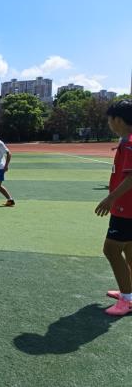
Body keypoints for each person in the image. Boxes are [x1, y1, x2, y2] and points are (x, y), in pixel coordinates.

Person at [94, 100, 132, 316]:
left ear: (118, 120)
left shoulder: (129, 143)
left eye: (110, 119)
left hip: (126, 207)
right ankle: (129, 293)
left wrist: (110, 199)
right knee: (129, 249)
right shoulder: (126, 141)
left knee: (111, 249)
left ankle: (127, 299)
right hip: (126, 206)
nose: (109, 123)